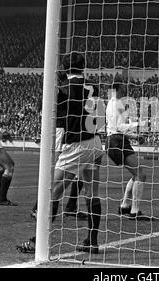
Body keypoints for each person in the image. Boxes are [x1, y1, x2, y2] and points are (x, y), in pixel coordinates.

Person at [17, 52, 104, 254]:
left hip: (76, 144)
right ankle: (92, 241)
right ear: (83, 66)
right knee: (92, 194)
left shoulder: (62, 87)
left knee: (52, 192)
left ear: (65, 68)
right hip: (95, 142)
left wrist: (56, 86)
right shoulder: (93, 85)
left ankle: (38, 241)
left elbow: (45, 109)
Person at [105, 74, 149, 220]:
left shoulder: (115, 103)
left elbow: (116, 128)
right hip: (116, 142)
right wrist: (137, 125)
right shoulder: (115, 104)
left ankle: (125, 206)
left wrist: (134, 136)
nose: (126, 87)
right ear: (118, 87)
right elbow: (119, 127)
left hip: (116, 140)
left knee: (136, 174)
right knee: (140, 174)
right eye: (124, 84)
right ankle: (134, 211)